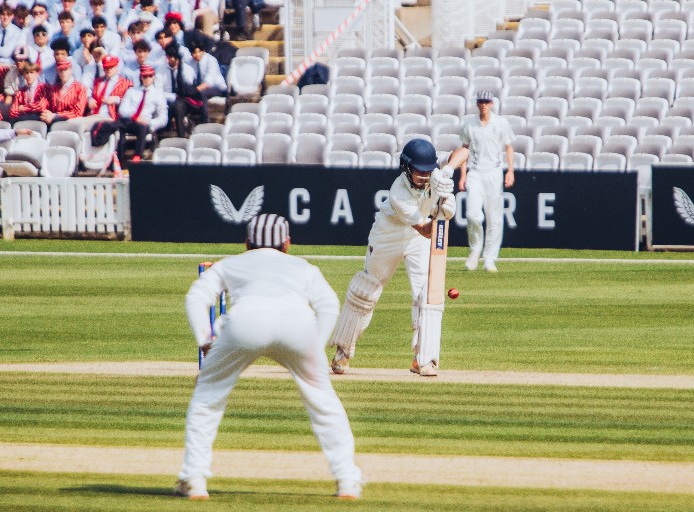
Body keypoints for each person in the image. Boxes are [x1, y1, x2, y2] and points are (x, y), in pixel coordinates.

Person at [176, 213, 363, 501]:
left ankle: (194, 479)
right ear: (287, 243)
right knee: (324, 402)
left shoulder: (231, 263)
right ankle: (348, 481)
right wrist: (316, 344)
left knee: (208, 396)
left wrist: (205, 338)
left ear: (247, 242)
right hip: (297, 324)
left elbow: (196, 297)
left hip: (245, 323)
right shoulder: (303, 267)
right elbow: (329, 305)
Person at [328, 139, 459, 377]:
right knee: (365, 291)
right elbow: (426, 229)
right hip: (389, 234)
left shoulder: (435, 173)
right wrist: (443, 213)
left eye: (428, 170)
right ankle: (342, 352)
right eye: (420, 171)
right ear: (407, 168)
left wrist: (448, 174)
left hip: (417, 242)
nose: (425, 176)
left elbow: (463, 151)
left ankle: (424, 358)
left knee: (426, 293)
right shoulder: (398, 192)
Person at [456, 90, 515, 273]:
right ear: (477, 104)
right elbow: (464, 150)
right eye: (481, 101)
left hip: (494, 171)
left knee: (494, 216)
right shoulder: (469, 124)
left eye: (486, 101)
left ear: (491, 104)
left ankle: (490, 258)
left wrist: (510, 171)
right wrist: (463, 175)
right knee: (473, 214)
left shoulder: (501, 123)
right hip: (475, 171)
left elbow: (508, 147)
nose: (483, 104)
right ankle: (475, 251)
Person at [110, 64, 166, 163]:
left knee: (142, 127)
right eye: (145, 76)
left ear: (153, 77)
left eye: (150, 76)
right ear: (141, 77)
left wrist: (149, 122)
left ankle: (137, 156)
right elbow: (122, 110)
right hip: (131, 120)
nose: (147, 79)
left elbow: (163, 118)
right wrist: (135, 116)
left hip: (145, 123)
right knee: (119, 125)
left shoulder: (158, 94)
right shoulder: (132, 91)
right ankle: (119, 158)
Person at [40, 58, 86, 125]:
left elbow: (78, 113)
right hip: (53, 124)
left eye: (65, 69)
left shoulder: (80, 88)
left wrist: (55, 116)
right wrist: (47, 114)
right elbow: (48, 106)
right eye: (60, 70)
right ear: (57, 71)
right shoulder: (54, 88)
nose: (63, 72)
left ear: (70, 70)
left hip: (71, 124)